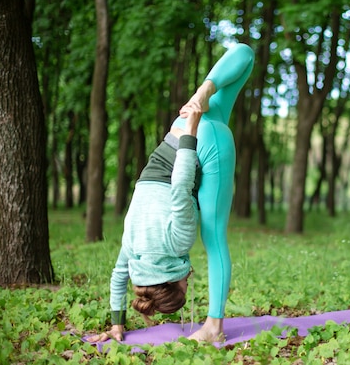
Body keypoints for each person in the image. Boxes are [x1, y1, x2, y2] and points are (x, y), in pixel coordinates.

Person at [88, 43, 255, 344]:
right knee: (245, 57)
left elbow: (180, 186)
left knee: (214, 238)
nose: (188, 283)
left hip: (195, 140)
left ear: (172, 281)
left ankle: (214, 327)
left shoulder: (176, 243)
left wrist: (193, 128)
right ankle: (206, 87)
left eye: (183, 288)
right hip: (176, 132)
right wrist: (116, 324)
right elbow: (118, 275)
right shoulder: (134, 246)